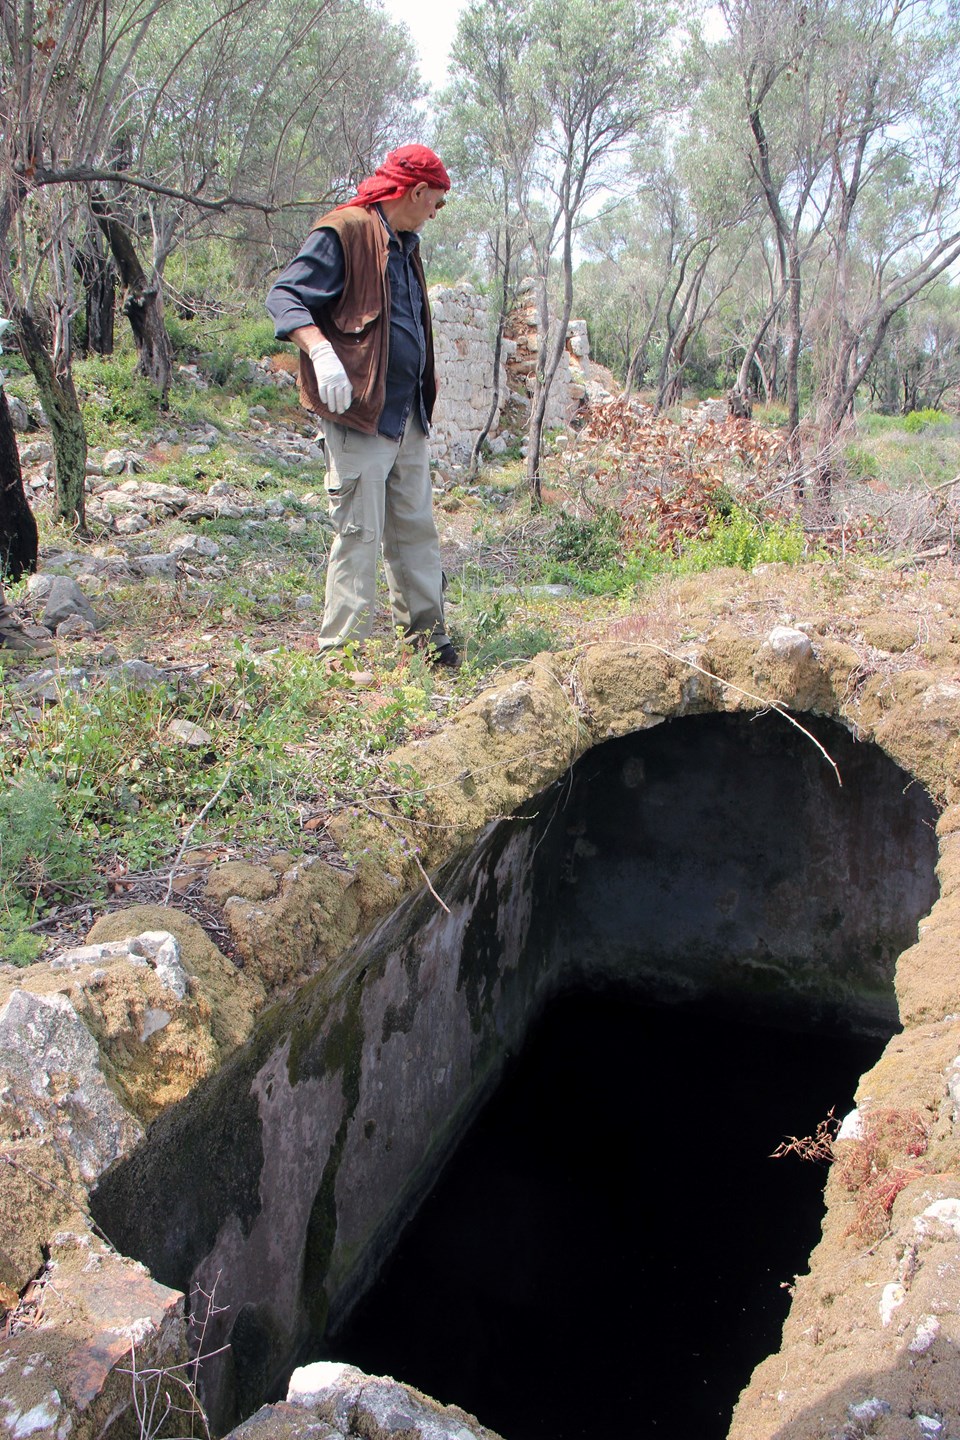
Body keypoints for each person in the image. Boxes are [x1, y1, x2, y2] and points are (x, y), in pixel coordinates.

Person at [266, 144, 459, 667]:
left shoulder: (405, 242)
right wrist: (321, 350)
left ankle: (427, 641)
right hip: (361, 416)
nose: (436, 213)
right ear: (415, 191)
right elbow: (284, 296)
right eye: (435, 202)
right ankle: (340, 653)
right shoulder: (346, 230)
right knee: (358, 534)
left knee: (416, 530)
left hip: (406, 416)